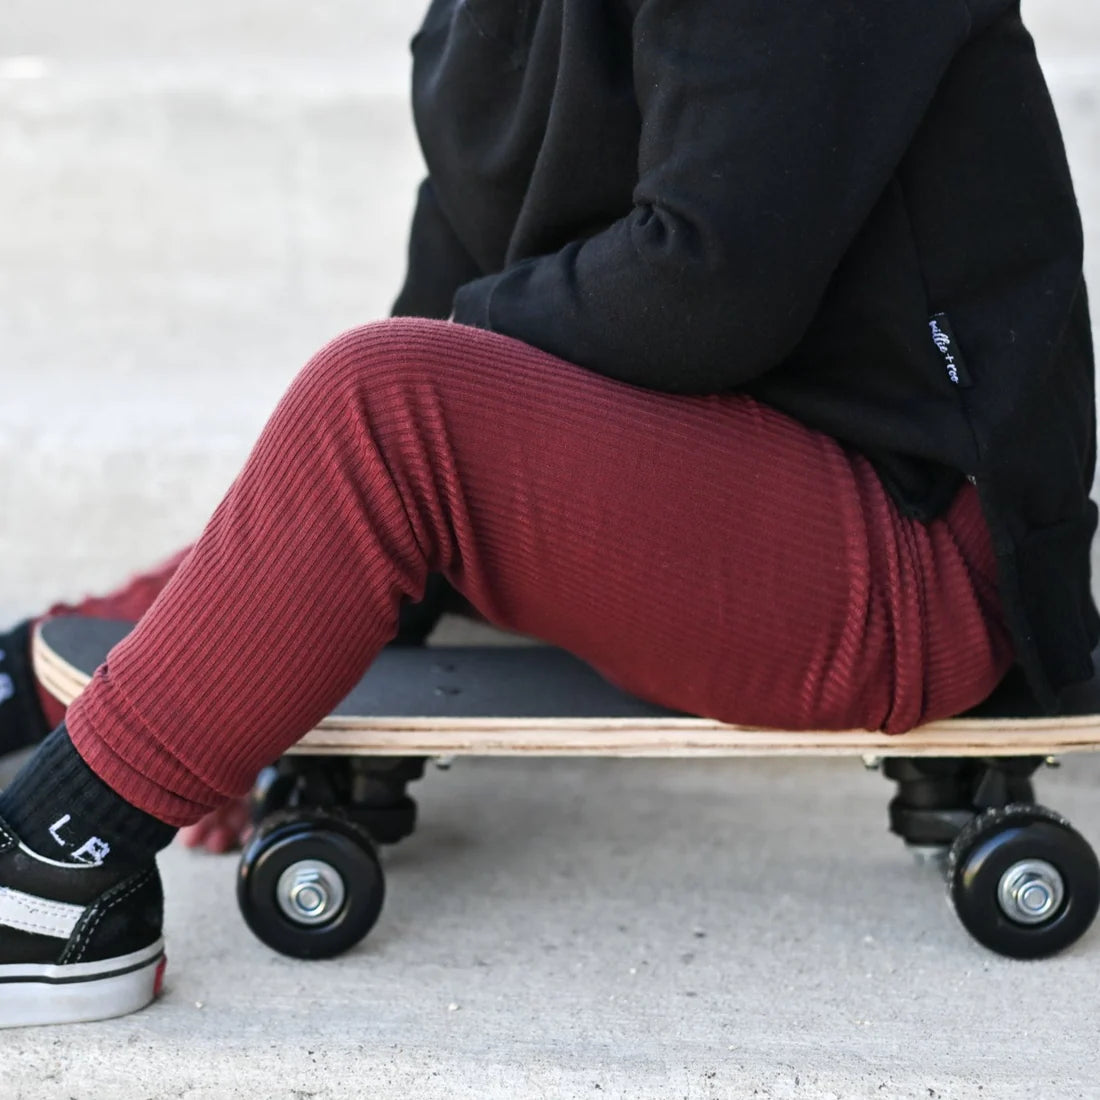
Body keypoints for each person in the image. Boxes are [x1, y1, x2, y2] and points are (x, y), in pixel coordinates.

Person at [0, 0, 1095, 1028]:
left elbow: (704, 289)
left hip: (911, 555)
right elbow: (439, 339)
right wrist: (237, 692)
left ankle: (57, 874)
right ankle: (33, 682)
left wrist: (468, 358)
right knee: (373, 427)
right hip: (718, 488)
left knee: (388, 406)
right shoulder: (487, 23)